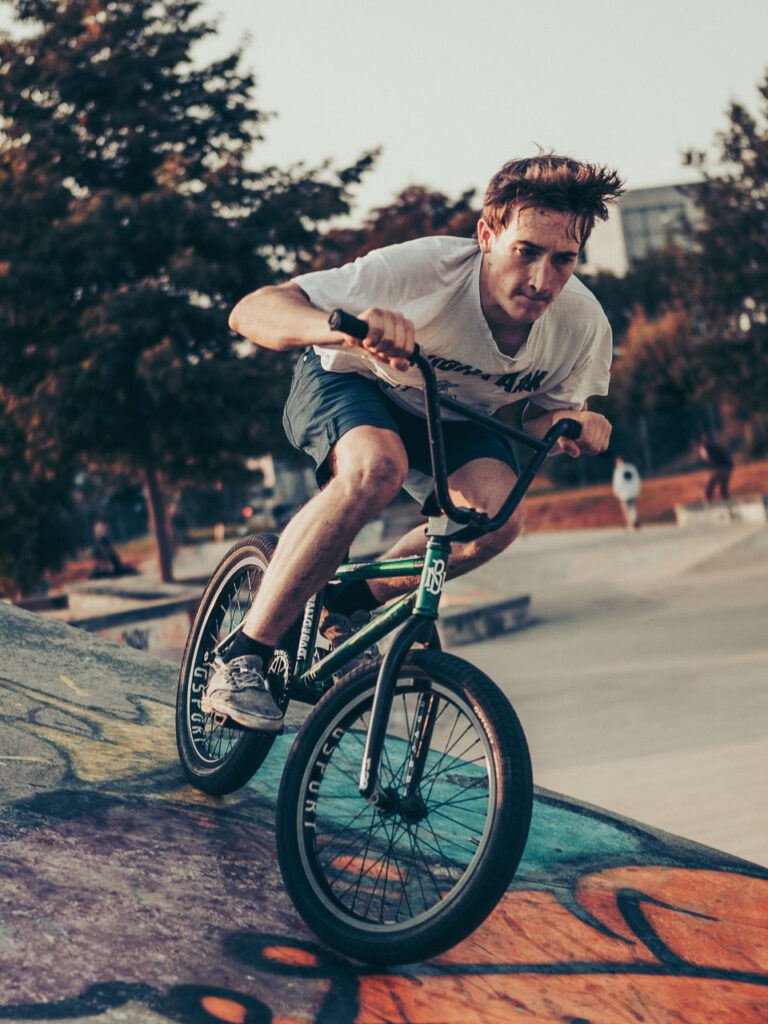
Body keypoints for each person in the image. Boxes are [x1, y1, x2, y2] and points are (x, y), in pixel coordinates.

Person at [202, 154, 623, 730]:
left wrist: (571, 425)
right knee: (377, 468)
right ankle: (244, 656)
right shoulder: (422, 270)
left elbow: (537, 421)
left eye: (563, 260)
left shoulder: (581, 323)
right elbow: (251, 310)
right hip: (353, 380)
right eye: (526, 252)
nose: (542, 281)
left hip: (449, 413)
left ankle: (345, 606)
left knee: (497, 520)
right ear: (487, 236)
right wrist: (345, 327)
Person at [699, 433, 733, 502]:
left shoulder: (704, 447)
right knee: (723, 489)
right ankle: (726, 503)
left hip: (718, 468)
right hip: (728, 468)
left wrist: (711, 468)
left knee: (708, 488)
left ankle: (708, 504)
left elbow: (707, 457)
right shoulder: (717, 446)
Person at [611, 456, 642, 530]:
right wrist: (638, 489)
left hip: (624, 493)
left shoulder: (619, 470)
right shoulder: (632, 468)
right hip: (633, 491)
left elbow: (617, 482)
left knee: (626, 509)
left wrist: (616, 491)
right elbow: (637, 479)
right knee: (633, 508)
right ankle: (634, 521)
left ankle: (630, 523)